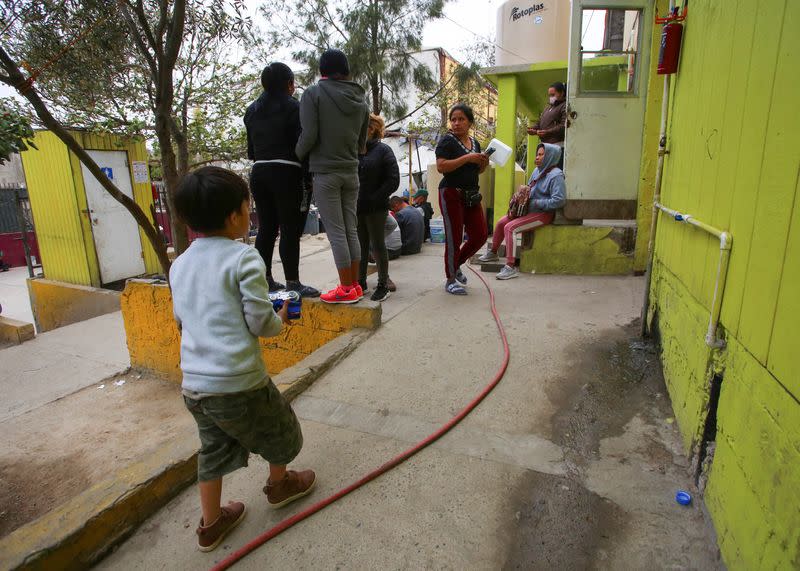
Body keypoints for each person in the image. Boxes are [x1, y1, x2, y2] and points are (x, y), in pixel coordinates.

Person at [170, 167, 316, 553]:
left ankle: (211, 524)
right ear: (236, 214)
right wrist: (281, 316)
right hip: (239, 382)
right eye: (247, 207)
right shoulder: (244, 258)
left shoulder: (179, 264)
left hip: (195, 386)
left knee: (212, 450)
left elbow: (184, 320)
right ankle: (280, 484)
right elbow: (260, 324)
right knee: (281, 429)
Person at [296, 49, 370, 304]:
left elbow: (309, 135)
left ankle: (345, 288)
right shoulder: (361, 99)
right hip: (351, 171)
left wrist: (296, 155)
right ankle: (356, 286)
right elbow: (363, 143)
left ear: (322, 70)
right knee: (351, 229)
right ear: (346, 70)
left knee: (336, 232)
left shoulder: (313, 94)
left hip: (325, 172)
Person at [244, 62, 319, 297]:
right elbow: (303, 144)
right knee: (289, 228)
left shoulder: (252, 110)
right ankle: (293, 282)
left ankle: (265, 279)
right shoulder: (294, 107)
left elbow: (251, 152)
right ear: (289, 84)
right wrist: (308, 175)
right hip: (287, 172)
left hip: (259, 172)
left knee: (266, 228)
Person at [478, 143, 566, 279]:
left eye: (542, 155)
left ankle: (510, 267)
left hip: (543, 214)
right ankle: (493, 253)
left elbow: (559, 200)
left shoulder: (556, 176)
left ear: (551, 156)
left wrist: (535, 202)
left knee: (510, 228)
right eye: (537, 154)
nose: (537, 157)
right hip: (529, 211)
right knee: (502, 222)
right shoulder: (538, 170)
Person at [435, 103, 490, 295]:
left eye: (461, 119)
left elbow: (479, 170)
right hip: (451, 193)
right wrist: (468, 158)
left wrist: (483, 162)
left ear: (470, 122)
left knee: (480, 235)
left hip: (471, 195)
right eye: (453, 119)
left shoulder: (475, 143)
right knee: (454, 237)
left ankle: (456, 263)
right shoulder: (447, 141)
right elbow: (441, 166)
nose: (456, 123)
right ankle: (450, 279)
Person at [356, 114, 399, 302]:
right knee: (361, 246)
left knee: (378, 244)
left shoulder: (383, 150)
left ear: (371, 128)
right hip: (357, 207)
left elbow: (393, 180)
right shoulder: (354, 151)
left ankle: (382, 284)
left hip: (376, 207)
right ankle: (360, 282)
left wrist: (376, 198)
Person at [527, 81, 567, 169]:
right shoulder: (548, 107)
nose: (551, 97)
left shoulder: (565, 106)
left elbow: (563, 127)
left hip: (557, 147)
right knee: (543, 173)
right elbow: (540, 122)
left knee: (554, 173)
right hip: (545, 147)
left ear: (562, 93)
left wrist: (547, 132)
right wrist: (533, 129)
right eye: (549, 95)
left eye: (553, 95)